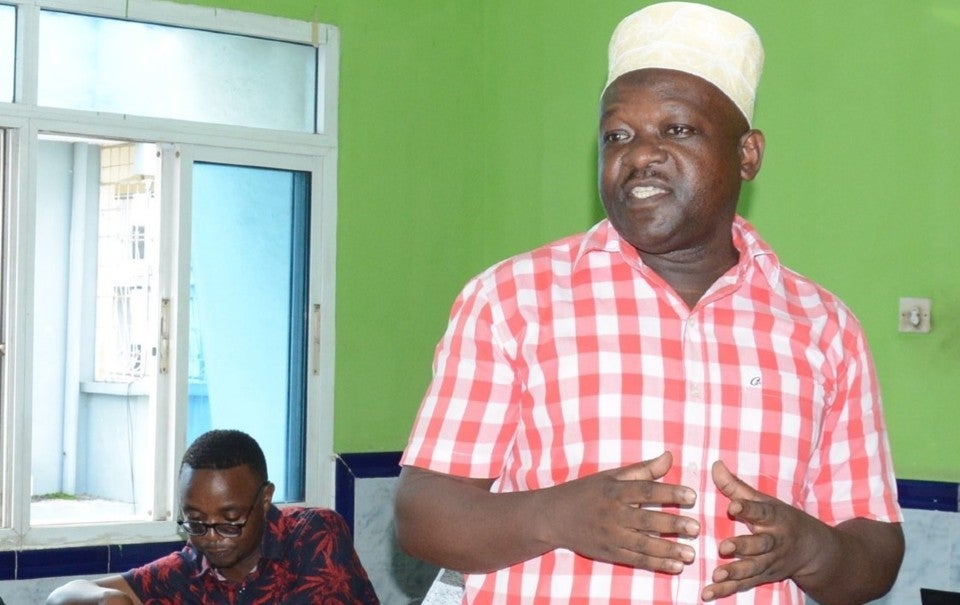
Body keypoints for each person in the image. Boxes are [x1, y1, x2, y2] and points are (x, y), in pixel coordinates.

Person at [394, 2, 904, 604]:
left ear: (748, 155)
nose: (639, 154)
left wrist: (810, 548)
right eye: (618, 135)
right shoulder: (513, 300)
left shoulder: (824, 328)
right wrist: (558, 516)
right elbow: (421, 514)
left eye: (677, 129)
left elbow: (876, 550)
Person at [47, 429, 379, 604]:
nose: (211, 536)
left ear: (265, 499)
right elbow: (61, 597)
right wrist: (106, 599)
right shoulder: (189, 570)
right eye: (195, 520)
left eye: (229, 519)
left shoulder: (314, 534)